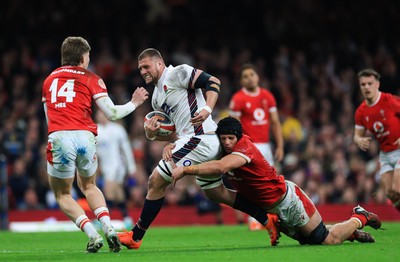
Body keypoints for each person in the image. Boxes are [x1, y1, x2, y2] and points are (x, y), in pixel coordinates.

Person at [117, 48, 279, 249]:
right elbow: (172, 131)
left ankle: (136, 235)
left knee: (155, 180)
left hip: (202, 138)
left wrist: (207, 109)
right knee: (216, 193)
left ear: (159, 63)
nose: (143, 71)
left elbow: (213, 82)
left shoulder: (178, 73)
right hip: (192, 140)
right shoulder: (157, 97)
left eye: (146, 66)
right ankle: (266, 219)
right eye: (140, 68)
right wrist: (151, 133)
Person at [172, 117, 381, 246]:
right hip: (272, 210)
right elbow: (202, 139)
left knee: (327, 241)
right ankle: (350, 233)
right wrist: (173, 143)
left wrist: (186, 169)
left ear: (238, 137)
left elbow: (221, 167)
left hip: (287, 201)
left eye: (230, 138)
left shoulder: (244, 148)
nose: (226, 143)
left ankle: (358, 217)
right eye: (223, 138)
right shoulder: (222, 146)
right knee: (308, 240)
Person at [42, 36, 149, 253]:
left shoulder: (48, 80)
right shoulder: (92, 78)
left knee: (63, 194)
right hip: (86, 136)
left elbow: (48, 118)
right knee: (89, 185)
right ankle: (109, 228)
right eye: (88, 56)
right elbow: (111, 113)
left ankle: (93, 234)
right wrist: (134, 103)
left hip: (60, 136)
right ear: (82, 57)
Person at [229, 63, 284, 230]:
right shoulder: (238, 99)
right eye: (245, 76)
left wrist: (280, 146)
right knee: (251, 183)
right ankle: (254, 219)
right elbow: (233, 127)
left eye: (251, 74)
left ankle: (274, 216)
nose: (249, 78)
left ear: (257, 76)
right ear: (241, 81)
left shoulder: (267, 96)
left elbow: (275, 122)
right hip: (248, 146)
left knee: (270, 182)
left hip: (266, 146)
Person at [354, 68, 400, 212]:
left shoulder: (390, 100)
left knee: (397, 188)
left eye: (370, 83)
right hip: (385, 154)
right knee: (390, 193)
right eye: (363, 84)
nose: (366, 87)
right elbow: (357, 135)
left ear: (377, 84)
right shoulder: (361, 111)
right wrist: (359, 140)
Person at [96, 110, 136, 228]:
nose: (100, 116)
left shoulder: (118, 129)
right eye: (99, 113)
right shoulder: (95, 129)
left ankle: (103, 220)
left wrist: (131, 167)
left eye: (103, 113)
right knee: (118, 193)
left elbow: (126, 149)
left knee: (108, 190)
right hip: (105, 165)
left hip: (117, 165)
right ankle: (126, 217)